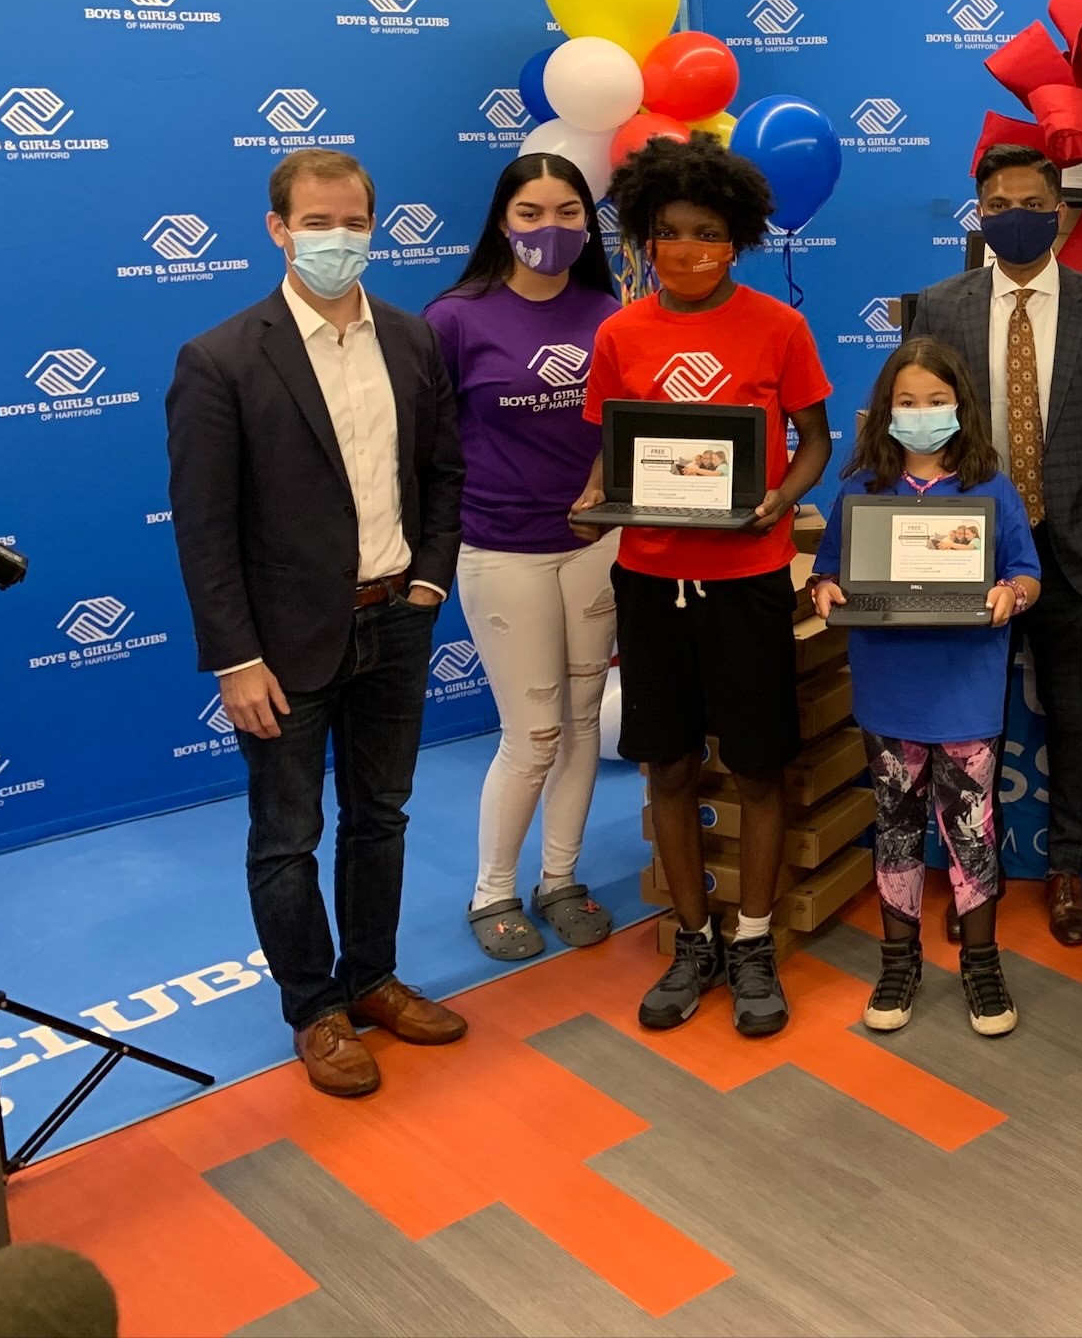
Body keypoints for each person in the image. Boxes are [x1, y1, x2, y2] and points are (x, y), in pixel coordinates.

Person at [166, 149, 467, 1098]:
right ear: (278, 229)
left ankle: (372, 980)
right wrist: (235, 660)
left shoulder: (414, 341)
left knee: (380, 816)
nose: (338, 240)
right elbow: (205, 527)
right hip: (282, 647)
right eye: (318, 222)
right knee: (286, 836)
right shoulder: (219, 359)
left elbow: (442, 478)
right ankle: (316, 1008)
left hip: (398, 623)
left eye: (353, 223)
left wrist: (428, 586)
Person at [570, 135, 832, 1039]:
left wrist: (779, 500)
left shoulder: (778, 327)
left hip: (749, 582)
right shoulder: (618, 333)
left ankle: (753, 942)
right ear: (644, 236)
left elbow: (816, 444)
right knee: (669, 766)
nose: (687, 248)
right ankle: (692, 939)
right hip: (648, 581)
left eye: (708, 232)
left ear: (739, 237)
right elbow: (614, 458)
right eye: (669, 232)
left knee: (760, 768)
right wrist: (594, 496)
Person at [904, 144, 1082, 946]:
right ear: (980, 213)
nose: (1016, 214)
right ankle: (976, 873)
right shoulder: (939, 306)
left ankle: (1069, 869)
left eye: (1032, 201)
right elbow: (920, 432)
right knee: (975, 726)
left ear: (1058, 210)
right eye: (999, 201)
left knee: (1077, 718)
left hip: (1078, 550)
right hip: (967, 561)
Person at [807, 339, 1041, 1036]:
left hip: (966, 686)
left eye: (935, 401)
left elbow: (1026, 571)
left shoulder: (991, 487)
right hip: (888, 690)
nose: (921, 414)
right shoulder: (860, 488)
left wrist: (1013, 595)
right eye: (906, 403)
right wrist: (824, 588)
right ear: (885, 412)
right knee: (896, 828)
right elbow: (827, 569)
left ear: (961, 407)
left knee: (972, 830)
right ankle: (898, 961)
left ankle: (981, 962)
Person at [424, 152, 624, 963]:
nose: (551, 229)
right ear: (503, 220)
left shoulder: (609, 310)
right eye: (533, 212)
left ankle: (560, 880)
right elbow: (426, 447)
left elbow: (622, 427)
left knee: (580, 724)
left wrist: (602, 489)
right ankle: (493, 890)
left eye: (569, 213)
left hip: (592, 546)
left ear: (589, 222)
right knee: (533, 732)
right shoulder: (455, 318)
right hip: (500, 549)